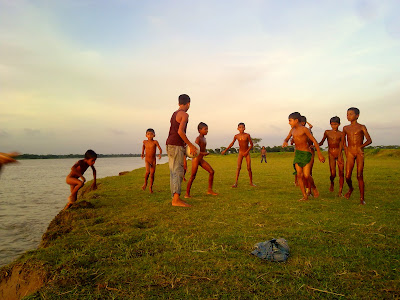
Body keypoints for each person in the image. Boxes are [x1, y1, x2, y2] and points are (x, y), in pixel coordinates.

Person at [283, 112, 325, 201]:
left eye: (290, 121)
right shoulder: (292, 130)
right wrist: (285, 141)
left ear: (296, 120)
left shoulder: (305, 129)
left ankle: (313, 187)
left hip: (306, 153)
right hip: (298, 154)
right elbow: (287, 138)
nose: (289, 123)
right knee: (299, 175)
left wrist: (320, 154)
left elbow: (314, 141)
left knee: (306, 175)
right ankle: (305, 196)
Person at [166, 94, 197, 207]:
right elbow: (180, 132)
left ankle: (175, 197)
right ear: (188, 103)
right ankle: (176, 200)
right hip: (176, 144)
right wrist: (190, 145)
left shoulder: (174, 114)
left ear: (179, 102)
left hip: (170, 143)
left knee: (173, 171)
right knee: (178, 172)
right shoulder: (184, 114)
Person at [342, 107, 372, 205]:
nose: (348, 116)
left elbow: (369, 140)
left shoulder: (362, 127)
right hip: (350, 152)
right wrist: (346, 149)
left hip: (359, 153)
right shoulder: (345, 128)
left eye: (350, 114)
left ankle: (362, 198)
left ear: (357, 115)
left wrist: (361, 146)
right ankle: (351, 188)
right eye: (347, 114)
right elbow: (343, 141)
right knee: (347, 176)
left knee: (359, 175)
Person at [185, 122, 218, 198]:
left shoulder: (204, 138)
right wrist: (204, 153)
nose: (207, 131)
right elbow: (195, 150)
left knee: (211, 171)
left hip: (201, 159)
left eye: (207, 129)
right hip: (196, 159)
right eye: (205, 129)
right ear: (200, 130)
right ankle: (187, 194)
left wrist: (203, 154)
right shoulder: (198, 138)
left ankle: (209, 190)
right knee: (193, 176)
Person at [221, 122, 255, 187]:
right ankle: (236, 183)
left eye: (242, 127)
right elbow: (232, 143)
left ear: (244, 128)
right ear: (238, 128)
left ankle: (251, 182)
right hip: (240, 152)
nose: (241, 129)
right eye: (240, 127)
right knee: (238, 167)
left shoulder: (247, 135)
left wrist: (247, 152)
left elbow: (251, 145)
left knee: (248, 168)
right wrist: (225, 150)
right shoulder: (236, 136)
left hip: (246, 153)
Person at [319, 116, 345, 196]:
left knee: (341, 172)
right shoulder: (327, 132)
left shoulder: (341, 133)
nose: (334, 126)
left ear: (339, 124)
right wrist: (315, 145)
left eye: (335, 124)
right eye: (332, 124)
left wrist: (341, 155)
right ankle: (332, 182)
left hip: (339, 153)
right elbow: (322, 142)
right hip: (331, 154)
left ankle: (340, 191)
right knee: (333, 173)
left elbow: (343, 145)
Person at [141, 128, 162, 193]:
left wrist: (160, 154)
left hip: (153, 160)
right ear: (146, 135)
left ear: (154, 135)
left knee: (152, 174)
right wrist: (142, 153)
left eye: (151, 134)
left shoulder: (155, 142)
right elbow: (143, 147)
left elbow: (160, 149)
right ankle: (145, 183)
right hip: (147, 159)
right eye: (148, 134)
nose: (150, 136)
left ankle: (150, 187)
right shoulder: (144, 141)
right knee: (147, 172)